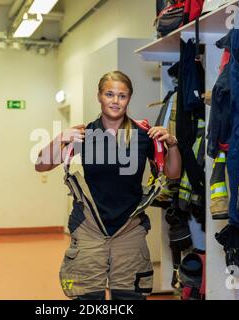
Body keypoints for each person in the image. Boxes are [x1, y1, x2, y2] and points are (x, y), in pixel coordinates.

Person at [35, 71, 181, 300]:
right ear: (99, 97)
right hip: (89, 228)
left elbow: (173, 173)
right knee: (88, 298)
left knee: (129, 297)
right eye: (109, 94)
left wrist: (171, 144)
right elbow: (41, 166)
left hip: (129, 230)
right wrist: (60, 137)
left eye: (122, 96)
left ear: (129, 98)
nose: (115, 100)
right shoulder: (85, 135)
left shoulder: (144, 136)